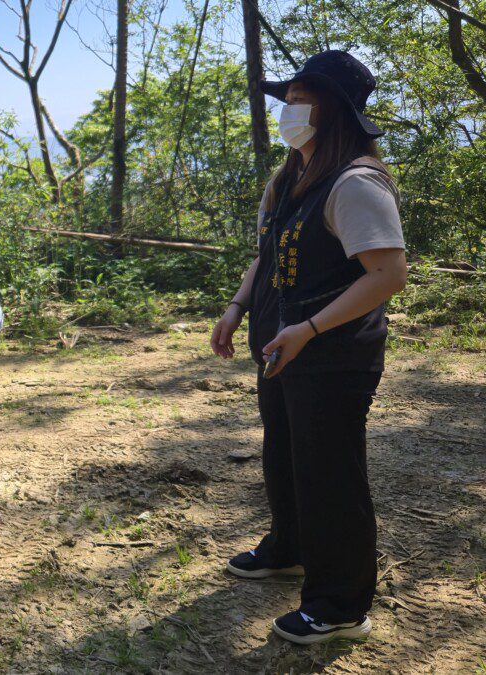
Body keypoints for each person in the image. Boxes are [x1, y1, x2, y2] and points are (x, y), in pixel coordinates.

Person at [210, 51, 407, 645]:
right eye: (288, 100)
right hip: (282, 343)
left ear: (333, 110)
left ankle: (341, 605)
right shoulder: (288, 178)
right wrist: (237, 306)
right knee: (286, 454)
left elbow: (388, 273)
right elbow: (266, 255)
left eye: (300, 101)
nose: (289, 111)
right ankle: (289, 548)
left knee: (330, 472)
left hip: (333, 352)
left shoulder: (356, 182)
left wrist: (311, 329)